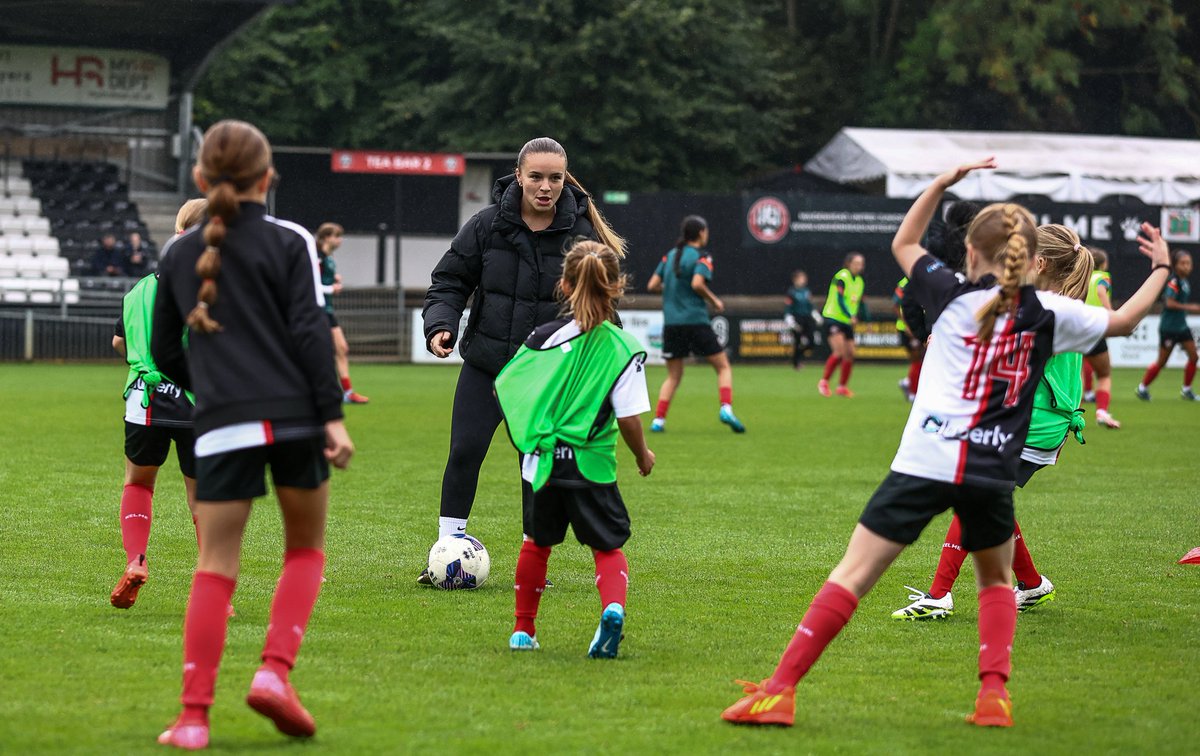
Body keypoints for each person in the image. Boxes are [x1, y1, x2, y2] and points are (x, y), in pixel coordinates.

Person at [721, 158, 1172, 729]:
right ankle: (992, 698)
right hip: (988, 468)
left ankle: (779, 690)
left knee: (854, 574)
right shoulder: (1052, 312)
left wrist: (938, 185)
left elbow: (904, 240)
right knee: (994, 581)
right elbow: (1127, 321)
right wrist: (1159, 269)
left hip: (926, 460)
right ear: (1028, 257)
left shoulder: (950, 292)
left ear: (971, 254)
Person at [150, 120, 354, 750]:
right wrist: (332, 416)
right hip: (294, 418)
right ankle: (273, 673)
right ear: (268, 179)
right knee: (305, 551)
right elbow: (309, 334)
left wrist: (208, 387)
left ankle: (192, 718)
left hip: (221, 424)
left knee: (215, 567)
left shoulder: (177, 254)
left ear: (199, 179)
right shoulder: (291, 240)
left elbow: (162, 351)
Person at [421, 136, 624, 583]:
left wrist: (611, 356)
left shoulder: (580, 236)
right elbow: (449, 282)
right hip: (487, 365)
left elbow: (600, 302)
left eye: (554, 177)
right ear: (519, 176)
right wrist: (441, 325)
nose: (545, 186)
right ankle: (446, 550)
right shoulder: (486, 226)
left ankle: (535, 564)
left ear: (563, 179)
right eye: (536, 176)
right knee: (465, 451)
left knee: (535, 466)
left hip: (547, 377)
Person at [890, 223, 1096, 621]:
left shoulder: (1043, 307)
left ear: (1039, 261)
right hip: (1041, 422)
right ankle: (1032, 584)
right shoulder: (1058, 304)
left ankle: (938, 596)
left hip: (1035, 424)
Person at [494, 240, 654, 657]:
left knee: (536, 542)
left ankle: (523, 631)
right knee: (607, 547)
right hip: (592, 464)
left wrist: (531, 434)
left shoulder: (542, 339)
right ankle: (613, 609)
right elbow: (629, 417)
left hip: (543, 461)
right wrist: (642, 455)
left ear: (563, 286)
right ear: (617, 287)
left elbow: (509, 386)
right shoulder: (622, 348)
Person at [108, 199, 207, 610]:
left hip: (144, 401)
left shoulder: (139, 289)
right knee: (203, 497)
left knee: (138, 483)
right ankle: (212, 589)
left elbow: (119, 342)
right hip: (196, 402)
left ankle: (136, 560)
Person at [646, 215, 745, 433]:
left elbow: (652, 285)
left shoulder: (670, 256)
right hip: (695, 320)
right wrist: (715, 300)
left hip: (672, 323)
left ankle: (658, 420)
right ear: (701, 233)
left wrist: (672, 291)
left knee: (673, 376)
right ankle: (726, 408)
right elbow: (697, 283)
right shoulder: (702, 256)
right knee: (723, 367)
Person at [315, 222, 368, 404]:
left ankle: (347, 392)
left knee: (341, 349)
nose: (340, 240)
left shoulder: (328, 258)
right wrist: (330, 288)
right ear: (326, 237)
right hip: (317, 310)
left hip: (327, 310)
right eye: (337, 236)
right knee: (321, 352)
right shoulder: (316, 257)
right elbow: (308, 284)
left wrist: (333, 278)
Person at [1136, 250, 1199, 401]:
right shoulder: (1174, 282)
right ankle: (1142, 388)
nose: (1187, 266)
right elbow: (1169, 302)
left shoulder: (1184, 282)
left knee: (1194, 356)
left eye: (1189, 263)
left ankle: (1186, 390)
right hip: (1169, 328)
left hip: (1181, 327)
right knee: (1162, 362)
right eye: (1183, 263)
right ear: (1175, 265)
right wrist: (1191, 308)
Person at [1081, 248, 1121, 427]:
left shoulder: (1082, 275)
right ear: (1103, 263)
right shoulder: (1102, 277)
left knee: (1076, 373)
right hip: (1094, 327)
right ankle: (1102, 412)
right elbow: (1100, 291)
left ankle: (1071, 412)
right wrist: (1110, 312)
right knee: (1104, 374)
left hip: (1076, 327)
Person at [818, 252, 866, 397]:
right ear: (848, 263)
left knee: (850, 354)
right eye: (856, 263)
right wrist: (849, 315)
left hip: (846, 321)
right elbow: (839, 299)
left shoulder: (859, 282)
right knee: (839, 352)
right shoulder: (842, 277)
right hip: (833, 318)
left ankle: (842, 387)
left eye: (861, 264)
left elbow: (860, 303)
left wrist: (867, 320)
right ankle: (824, 382)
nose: (859, 266)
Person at [894, 276, 923, 402]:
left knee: (921, 359)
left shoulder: (923, 280)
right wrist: (907, 326)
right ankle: (913, 391)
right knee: (918, 358)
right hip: (908, 329)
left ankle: (908, 382)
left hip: (919, 327)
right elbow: (895, 305)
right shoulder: (904, 283)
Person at [784, 270, 816, 369]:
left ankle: (797, 357)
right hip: (797, 318)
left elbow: (810, 305)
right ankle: (796, 363)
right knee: (797, 342)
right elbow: (788, 307)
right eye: (801, 278)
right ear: (795, 280)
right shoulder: (791, 292)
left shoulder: (807, 291)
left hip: (806, 318)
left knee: (811, 342)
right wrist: (789, 318)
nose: (803, 280)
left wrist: (815, 314)